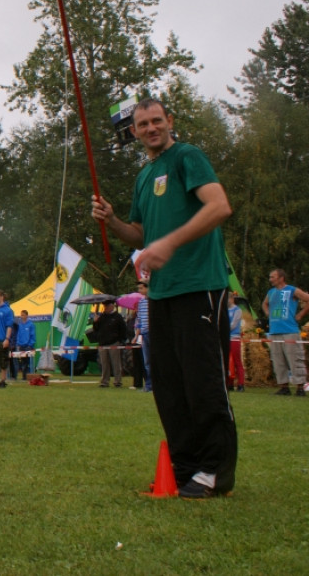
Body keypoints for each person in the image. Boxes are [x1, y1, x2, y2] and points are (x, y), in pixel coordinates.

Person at [92, 97, 237, 498]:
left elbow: (219, 206)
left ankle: (214, 471)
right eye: (143, 124)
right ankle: (184, 465)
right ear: (134, 131)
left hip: (200, 286)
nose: (151, 128)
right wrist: (113, 220)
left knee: (203, 381)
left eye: (157, 121)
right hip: (161, 293)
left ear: (170, 121)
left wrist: (170, 243)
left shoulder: (187, 157)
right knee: (169, 385)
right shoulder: (145, 175)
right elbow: (140, 234)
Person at [262, 268, 309, 396]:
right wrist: (268, 313)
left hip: (290, 330)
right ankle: (284, 387)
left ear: (281, 278)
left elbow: (308, 299)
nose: (270, 279)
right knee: (278, 360)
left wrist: (300, 314)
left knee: (295, 359)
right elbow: (264, 304)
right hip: (275, 331)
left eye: (273, 277)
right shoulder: (271, 292)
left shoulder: (292, 290)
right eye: (270, 277)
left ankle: (300, 387)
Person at [95, 302, 128, 388]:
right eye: (104, 306)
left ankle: (118, 381)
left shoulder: (118, 317)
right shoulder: (102, 317)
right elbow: (96, 329)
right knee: (104, 363)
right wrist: (95, 322)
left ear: (112, 306)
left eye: (107, 306)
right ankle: (104, 381)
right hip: (102, 343)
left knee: (116, 363)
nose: (105, 308)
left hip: (114, 343)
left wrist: (120, 340)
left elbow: (123, 329)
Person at [132, 281, 152, 392]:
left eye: (141, 288)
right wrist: (136, 336)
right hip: (144, 334)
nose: (140, 291)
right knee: (147, 362)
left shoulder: (154, 302)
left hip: (153, 333)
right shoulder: (141, 303)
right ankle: (149, 385)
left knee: (154, 360)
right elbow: (139, 320)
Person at [227, 293, 245, 392]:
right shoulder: (224, 310)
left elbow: (233, 324)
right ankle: (229, 382)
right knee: (227, 361)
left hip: (234, 338)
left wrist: (223, 329)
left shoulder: (237, 310)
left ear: (232, 299)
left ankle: (241, 384)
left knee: (237, 361)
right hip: (226, 338)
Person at [14, 310, 36, 380]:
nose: (22, 316)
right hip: (21, 345)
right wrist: (18, 343)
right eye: (21, 315)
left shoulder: (31, 325)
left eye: (23, 315)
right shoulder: (20, 325)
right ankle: (24, 376)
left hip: (28, 346)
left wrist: (30, 344)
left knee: (27, 362)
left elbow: (33, 335)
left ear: (27, 315)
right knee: (23, 362)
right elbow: (18, 335)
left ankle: (27, 376)